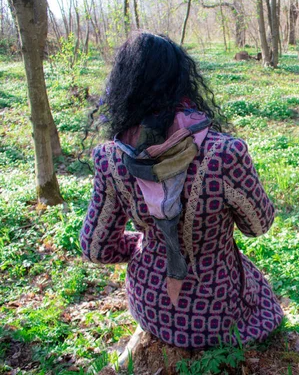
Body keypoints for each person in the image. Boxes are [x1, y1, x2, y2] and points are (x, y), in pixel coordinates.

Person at [80, 32, 283, 349]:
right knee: (259, 291)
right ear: (182, 81)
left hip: (150, 305)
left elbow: (96, 248)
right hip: (216, 311)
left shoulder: (111, 157)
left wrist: (145, 242)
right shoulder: (224, 154)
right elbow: (258, 225)